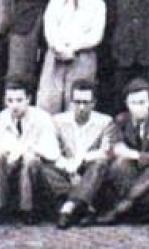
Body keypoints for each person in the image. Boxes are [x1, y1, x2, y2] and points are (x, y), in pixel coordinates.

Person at [0, 79, 62, 224]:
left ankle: (27, 209)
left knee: (29, 158)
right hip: (12, 164)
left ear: (28, 99)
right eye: (10, 100)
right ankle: (0, 206)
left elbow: (53, 151)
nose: (14, 105)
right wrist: (9, 149)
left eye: (19, 100)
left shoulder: (42, 117)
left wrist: (27, 148)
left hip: (37, 169)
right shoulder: (4, 117)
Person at [37, 0, 107, 114]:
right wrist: (58, 46)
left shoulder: (97, 3)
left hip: (83, 56)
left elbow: (96, 34)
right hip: (56, 54)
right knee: (49, 98)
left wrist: (73, 48)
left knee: (76, 98)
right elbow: (50, 26)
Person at [99, 79, 149, 224]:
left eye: (142, 103)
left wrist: (136, 155)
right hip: (129, 175)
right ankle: (132, 208)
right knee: (120, 164)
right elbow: (115, 148)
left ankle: (126, 205)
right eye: (133, 103)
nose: (138, 107)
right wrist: (123, 152)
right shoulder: (121, 120)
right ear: (127, 104)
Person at [49, 79, 116, 229]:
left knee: (100, 163)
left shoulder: (105, 122)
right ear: (71, 102)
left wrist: (81, 160)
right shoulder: (58, 121)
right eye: (77, 102)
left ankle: (68, 207)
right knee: (40, 165)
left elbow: (106, 152)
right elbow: (53, 151)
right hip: (65, 172)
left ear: (94, 103)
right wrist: (68, 166)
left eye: (86, 102)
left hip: (90, 172)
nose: (81, 107)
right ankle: (82, 204)